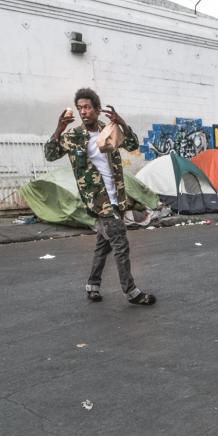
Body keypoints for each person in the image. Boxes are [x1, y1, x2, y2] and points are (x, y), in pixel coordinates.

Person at [44, 88, 155, 306]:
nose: (83, 112)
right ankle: (131, 291)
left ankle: (92, 285)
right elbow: (50, 155)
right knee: (121, 244)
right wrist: (59, 128)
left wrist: (121, 122)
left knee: (103, 244)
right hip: (99, 201)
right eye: (79, 108)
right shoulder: (73, 136)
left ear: (96, 109)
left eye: (86, 107)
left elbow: (133, 145)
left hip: (117, 198)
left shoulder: (108, 130)